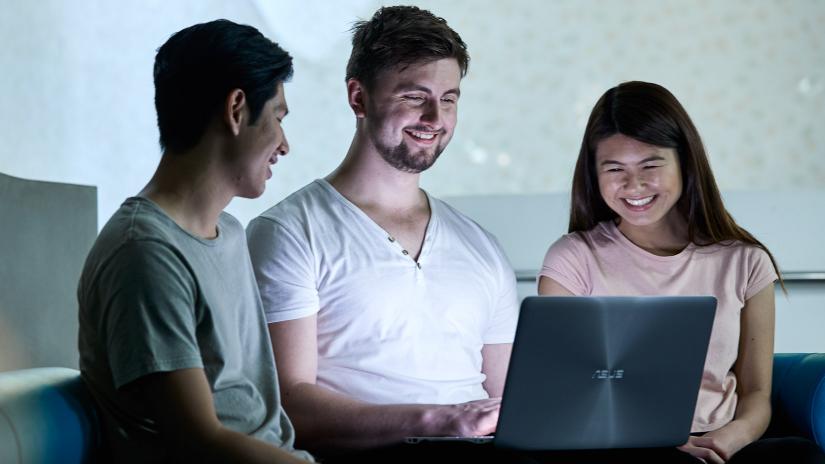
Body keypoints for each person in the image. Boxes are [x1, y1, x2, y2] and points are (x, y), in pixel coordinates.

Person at [246, 5, 519, 459]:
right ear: (359, 98)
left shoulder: (482, 247)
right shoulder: (289, 232)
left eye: (449, 99)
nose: (435, 117)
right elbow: (289, 405)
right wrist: (442, 421)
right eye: (415, 96)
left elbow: (510, 402)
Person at [539, 81, 825, 463]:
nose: (633, 184)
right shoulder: (571, 260)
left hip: (720, 441)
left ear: (684, 162)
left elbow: (756, 394)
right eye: (614, 168)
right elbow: (567, 391)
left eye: (650, 165)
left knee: (799, 455)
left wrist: (725, 441)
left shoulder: (746, 262)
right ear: (594, 174)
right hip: (619, 443)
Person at [77, 19, 313, 463]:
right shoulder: (144, 252)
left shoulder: (230, 233)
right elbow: (200, 442)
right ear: (237, 109)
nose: (284, 145)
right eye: (278, 117)